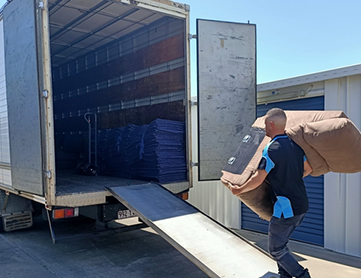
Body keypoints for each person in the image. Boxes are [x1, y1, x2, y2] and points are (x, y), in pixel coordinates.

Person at [229, 108, 313, 278]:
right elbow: (308, 169)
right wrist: (290, 177)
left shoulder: (271, 149)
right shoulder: (296, 146)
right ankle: (285, 276)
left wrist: (239, 189)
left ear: (272, 124)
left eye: (266, 124)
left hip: (286, 208)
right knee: (282, 244)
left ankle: (302, 276)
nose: (265, 128)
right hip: (302, 204)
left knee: (275, 249)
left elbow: (257, 179)